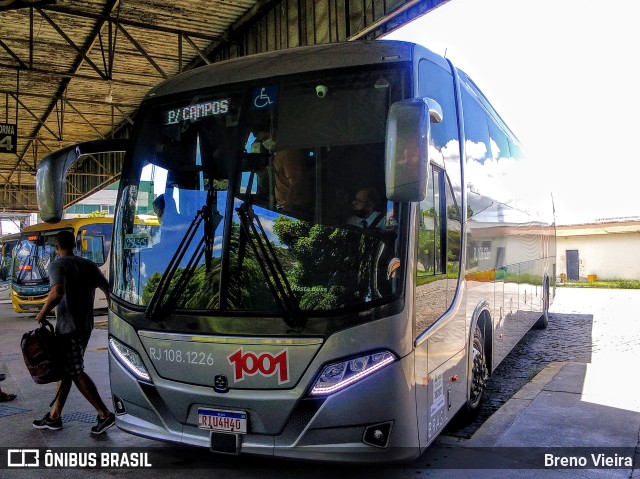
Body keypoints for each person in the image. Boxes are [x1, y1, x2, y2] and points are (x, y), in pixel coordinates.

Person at [32, 230, 115, 434]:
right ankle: (54, 416)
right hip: (85, 325)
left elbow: (57, 292)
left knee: (75, 371)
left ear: (56, 247)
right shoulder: (88, 265)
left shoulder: (57, 265)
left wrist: (42, 313)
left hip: (68, 328)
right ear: (74, 245)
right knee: (68, 369)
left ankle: (104, 414)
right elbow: (107, 288)